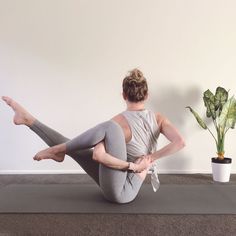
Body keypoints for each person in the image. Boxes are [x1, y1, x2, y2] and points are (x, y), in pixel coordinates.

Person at [2, 68, 185, 204]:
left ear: (123, 95)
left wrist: (138, 165)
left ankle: (58, 148)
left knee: (104, 130)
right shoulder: (158, 119)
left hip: (123, 192)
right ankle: (30, 121)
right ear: (147, 95)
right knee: (76, 144)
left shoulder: (117, 123)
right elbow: (180, 142)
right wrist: (146, 161)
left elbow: (98, 156)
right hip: (117, 180)